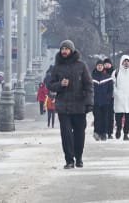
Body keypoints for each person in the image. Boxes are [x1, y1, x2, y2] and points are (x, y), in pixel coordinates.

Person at [47, 39, 94, 169]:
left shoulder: (81, 66)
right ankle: (69, 160)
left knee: (79, 134)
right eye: (62, 49)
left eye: (66, 49)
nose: (64, 51)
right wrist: (60, 85)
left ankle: (78, 157)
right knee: (66, 134)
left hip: (79, 106)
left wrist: (89, 103)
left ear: (71, 50)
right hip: (63, 107)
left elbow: (89, 85)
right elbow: (50, 85)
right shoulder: (57, 67)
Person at [111, 55, 129, 141]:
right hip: (119, 99)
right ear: (122, 62)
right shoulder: (116, 72)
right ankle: (118, 129)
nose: (126, 63)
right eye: (125, 61)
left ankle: (126, 134)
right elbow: (113, 84)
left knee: (128, 118)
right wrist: (116, 93)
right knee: (118, 117)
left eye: (128, 61)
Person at [92, 59, 113, 141]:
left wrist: (108, 98)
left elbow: (110, 90)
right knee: (97, 118)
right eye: (98, 65)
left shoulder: (107, 77)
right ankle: (97, 132)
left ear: (103, 66)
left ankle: (104, 133)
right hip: (96, 101)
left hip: (105, 102)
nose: (100, 67)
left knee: (105, 118)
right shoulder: (92, 77)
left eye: (101, 65)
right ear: (96, 66)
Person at [103, 58, 115, 139]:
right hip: (102, 97)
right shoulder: (101, 72)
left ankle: (110, 132)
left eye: (108, 64)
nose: (107, 65)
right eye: (105, 64)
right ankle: (104, 131)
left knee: (110, 115)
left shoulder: (114, 73)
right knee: (103, 115)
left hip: (112, 97)